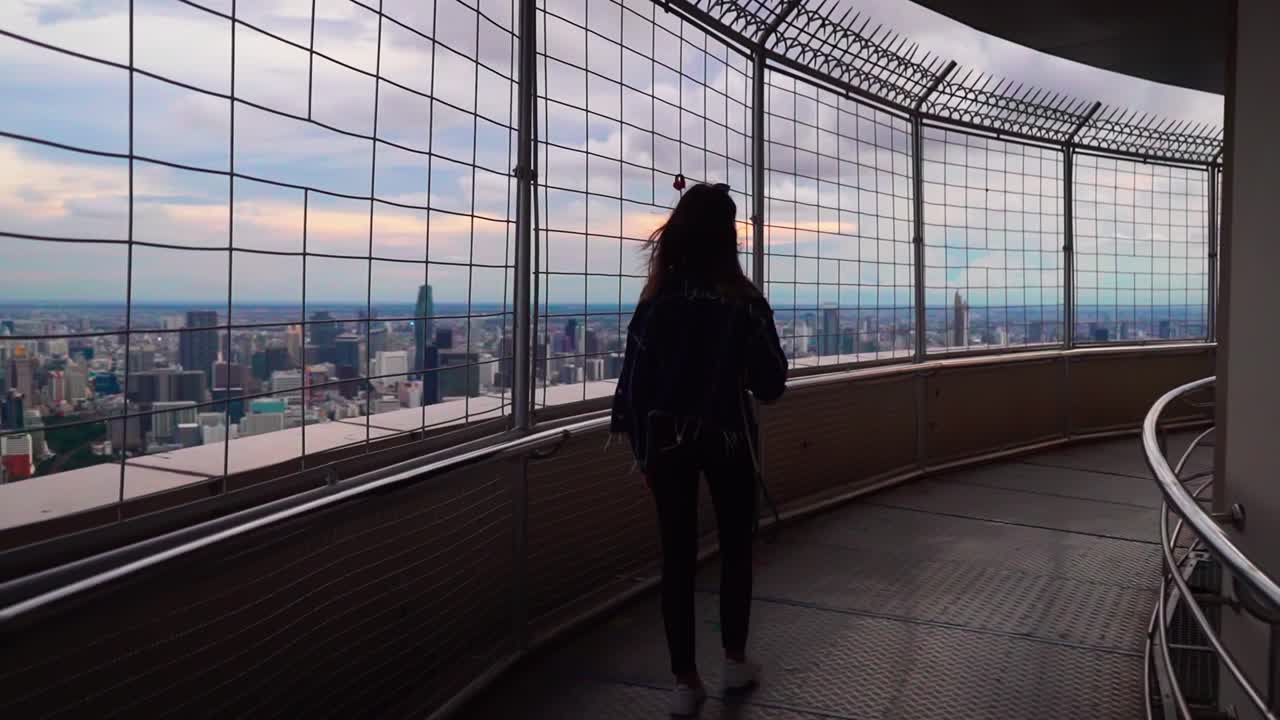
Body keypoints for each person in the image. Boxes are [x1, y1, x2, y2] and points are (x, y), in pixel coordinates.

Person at [611, 182, 788, 716]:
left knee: (677, 559)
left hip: (665, 444)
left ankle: (684, 682)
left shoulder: (657, 302)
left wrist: (644, 454)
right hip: (730, 439)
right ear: (728, 236)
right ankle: (734, 660)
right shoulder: (744, 301)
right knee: (736, 549)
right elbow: (771, 383)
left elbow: (633, 386)